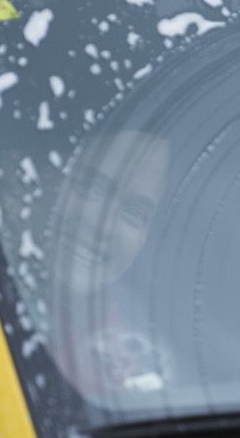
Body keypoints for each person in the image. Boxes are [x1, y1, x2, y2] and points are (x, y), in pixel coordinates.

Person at [43, 128, 174, 396]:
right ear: (45, 175)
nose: (103, 224)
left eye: (135, 213)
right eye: (91, 187)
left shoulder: (128, 348)